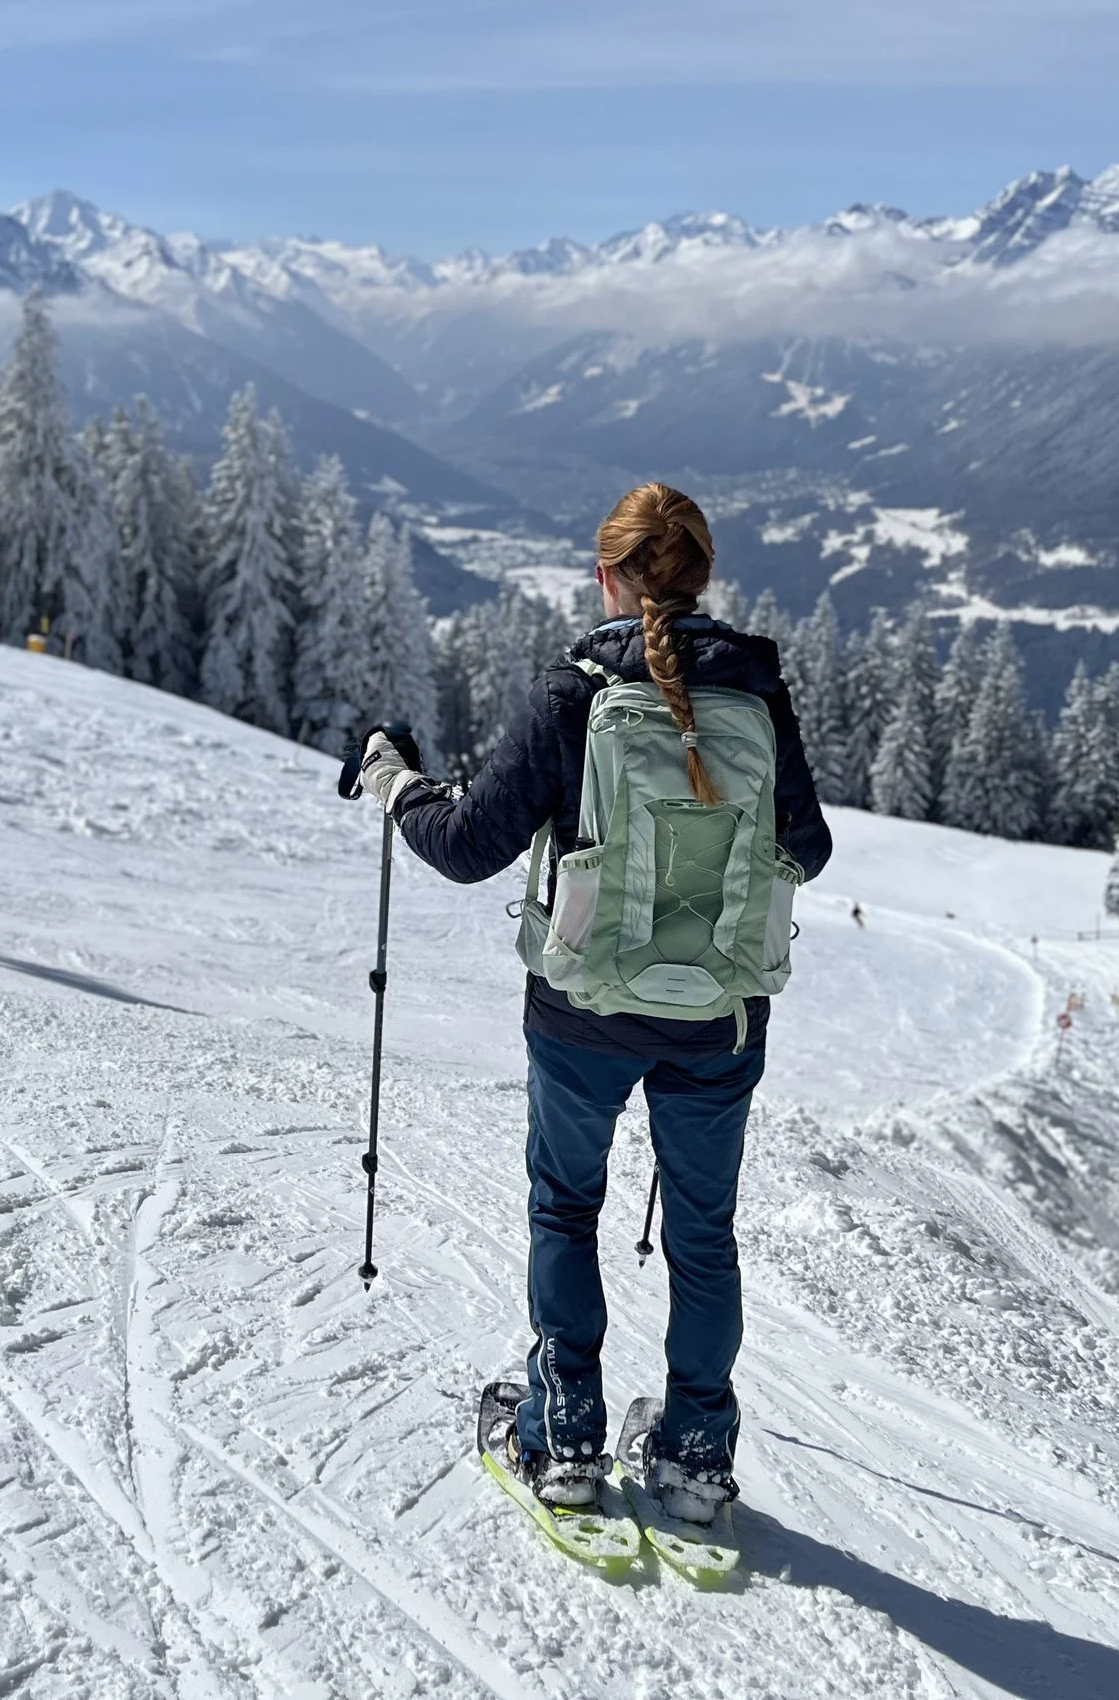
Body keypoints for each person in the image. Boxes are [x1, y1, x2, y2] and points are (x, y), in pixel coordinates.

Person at [356, 482, 832, 1523]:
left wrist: (395, 782)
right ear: (701, 574)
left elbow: (468, 845)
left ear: (607, 574)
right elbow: (811, 847)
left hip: (583, 1010)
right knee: (703, 1234)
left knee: (566, 1207)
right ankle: (695, 1453)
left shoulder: (576, 689)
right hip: (718, 1016)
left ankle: (562, 1432)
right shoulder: (757, 691)